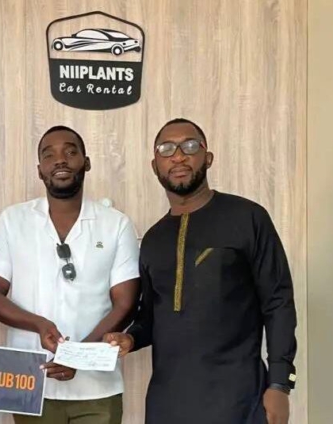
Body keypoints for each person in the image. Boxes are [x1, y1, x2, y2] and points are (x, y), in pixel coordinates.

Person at [105, 118, 297, 424]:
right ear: (155, 166)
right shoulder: (153, 239)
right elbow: (151, 318)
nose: (179, 156)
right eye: (166, 149)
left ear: (207, 157)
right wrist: (130, 339)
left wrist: (279, 383)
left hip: (239, 400)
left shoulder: (247, 217)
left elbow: (278, 302)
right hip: (167, 404)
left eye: (190, 146)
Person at [0, 126, 140, 424]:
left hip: (97, 387)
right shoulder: (13, 220)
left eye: (70, 151)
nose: (60, 160)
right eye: (49, 155)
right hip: (30, 382)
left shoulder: (116, 224)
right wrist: (38, 324)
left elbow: (126, 303)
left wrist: (77, 355)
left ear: (86, 163)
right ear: (40, 170)